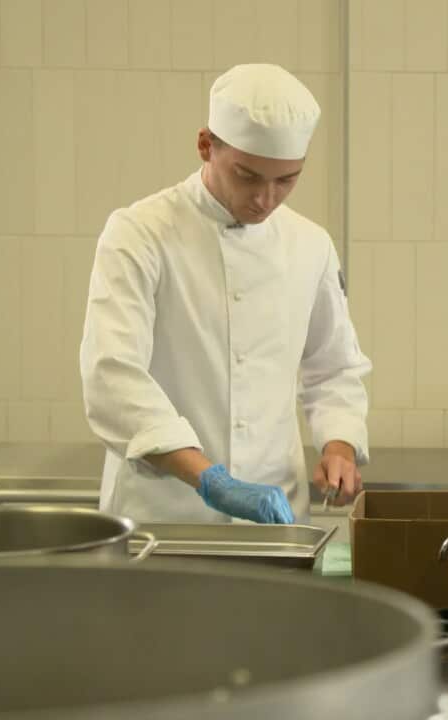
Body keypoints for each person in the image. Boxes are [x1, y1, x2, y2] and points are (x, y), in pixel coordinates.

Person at [80, 64, 370, 524]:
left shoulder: (310, 245)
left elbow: (332, 369)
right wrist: (209, 479)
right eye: (248, 176)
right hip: (163, 521)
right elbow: (112, 377)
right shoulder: (140, 234)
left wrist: (339, 445)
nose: (265, 199)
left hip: (276, 519)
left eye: (286, 180)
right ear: (204, 146)